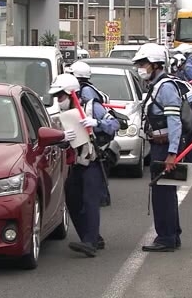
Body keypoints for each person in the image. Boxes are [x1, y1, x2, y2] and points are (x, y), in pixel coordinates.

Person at [48, 74, 120, 257]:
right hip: (77, 163)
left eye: (61, 96)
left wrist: (97, 123)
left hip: (94, 161)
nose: (58, 100)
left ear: (71, 93)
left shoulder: (91, 107)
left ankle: (90, 242)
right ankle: (92, 237)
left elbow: (115, 124)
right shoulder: (65, 115)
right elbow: (63, 143)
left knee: (90, 201)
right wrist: (63, 138)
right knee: (71, 198)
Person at [132, 43, 184, 252]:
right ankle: (172, 234)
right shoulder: (157, 85)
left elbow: (174, 121)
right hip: (159, 146)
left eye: (143, 64)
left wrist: (172, 153)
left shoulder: (166, 87)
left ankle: (166, 237)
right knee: (164, 192)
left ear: (155, 65)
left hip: (164, 148)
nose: (140, 68)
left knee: (163, 194)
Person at [68, 61, 112, 206]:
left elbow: (93, 110)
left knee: (94, 165)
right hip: (90, 132)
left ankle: (101, 197)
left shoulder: (86, 92)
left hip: (94, 134)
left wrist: (95, 122)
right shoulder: (86, 88)